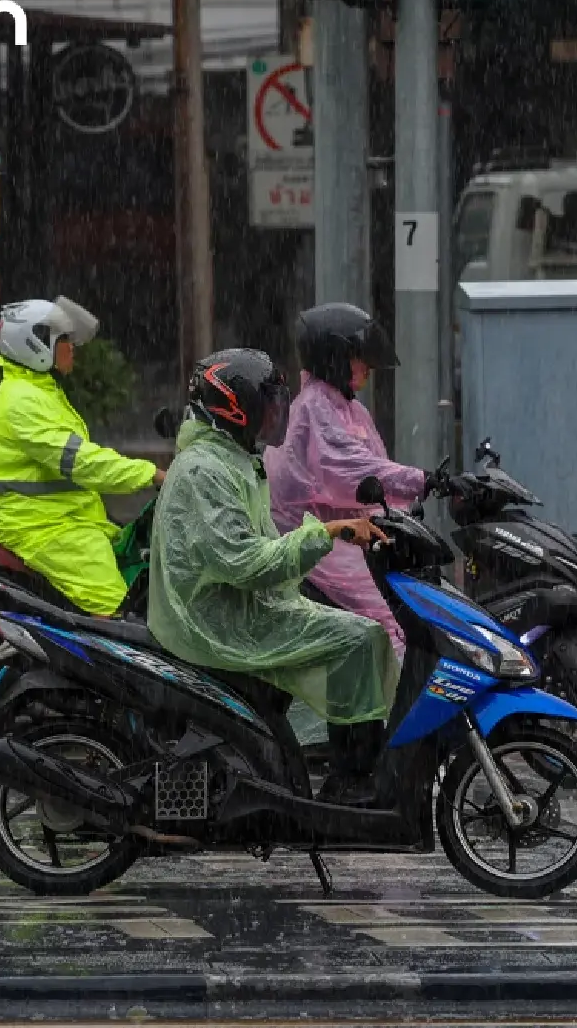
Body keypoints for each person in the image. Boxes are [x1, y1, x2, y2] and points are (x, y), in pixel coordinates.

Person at [148, 349, 398, 804]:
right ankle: (354, 780)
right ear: (236, 409)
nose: (275, 417)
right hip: (218, 622)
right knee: (359, 639)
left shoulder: (231, 458)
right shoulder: (207, 470)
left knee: (340, 622)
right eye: (268, 407)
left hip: (234, 604)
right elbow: (246, 563)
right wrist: (327, 531)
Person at [266, 303, 430, 657]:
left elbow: (374, 469)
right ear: (335, 356)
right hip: (321, 542)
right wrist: (423, 481)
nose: (368, 366)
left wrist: (410, 503)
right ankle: (396, 708)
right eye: (360, 356)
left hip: (351, 536)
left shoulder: (350, 408)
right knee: (393, 620)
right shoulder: (313, 409)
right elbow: (349, 472)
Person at [0, 297, 162, 617]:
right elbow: (82, 462)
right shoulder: (23, 401)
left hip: (69, 521)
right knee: (118, 618)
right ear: (35, 344)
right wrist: (151, 475)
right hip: (44, 528)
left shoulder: (40, 390)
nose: (72, 347)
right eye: (63, 339)